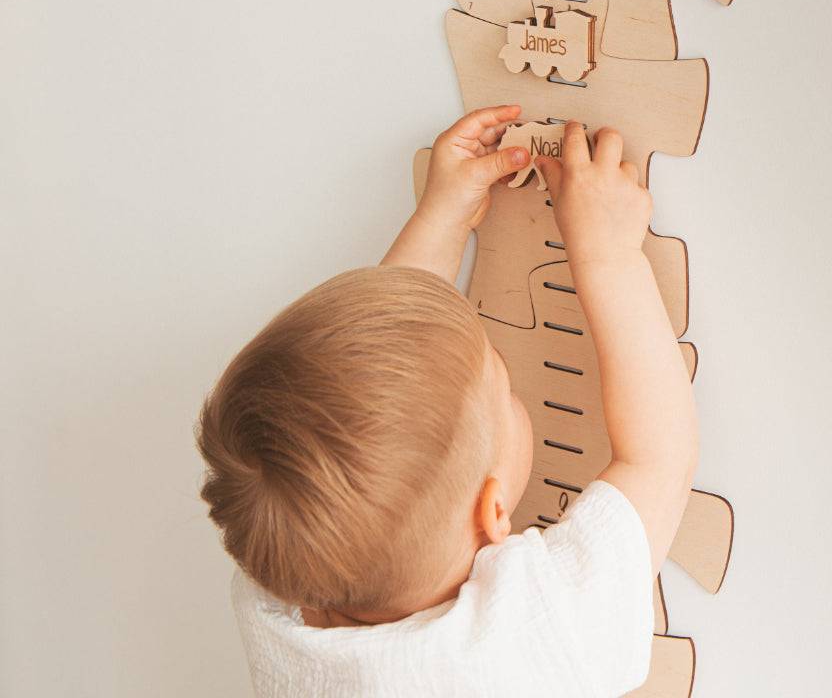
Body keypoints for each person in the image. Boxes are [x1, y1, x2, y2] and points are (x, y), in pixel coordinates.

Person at [196, 105, 698, 697]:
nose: (512, 387)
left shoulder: (282, 599)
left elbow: (376, 390)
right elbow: (657, 456)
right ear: (491, 513)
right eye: (505, 386)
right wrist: (608, 253)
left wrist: (444, 214)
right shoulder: (532, 635)